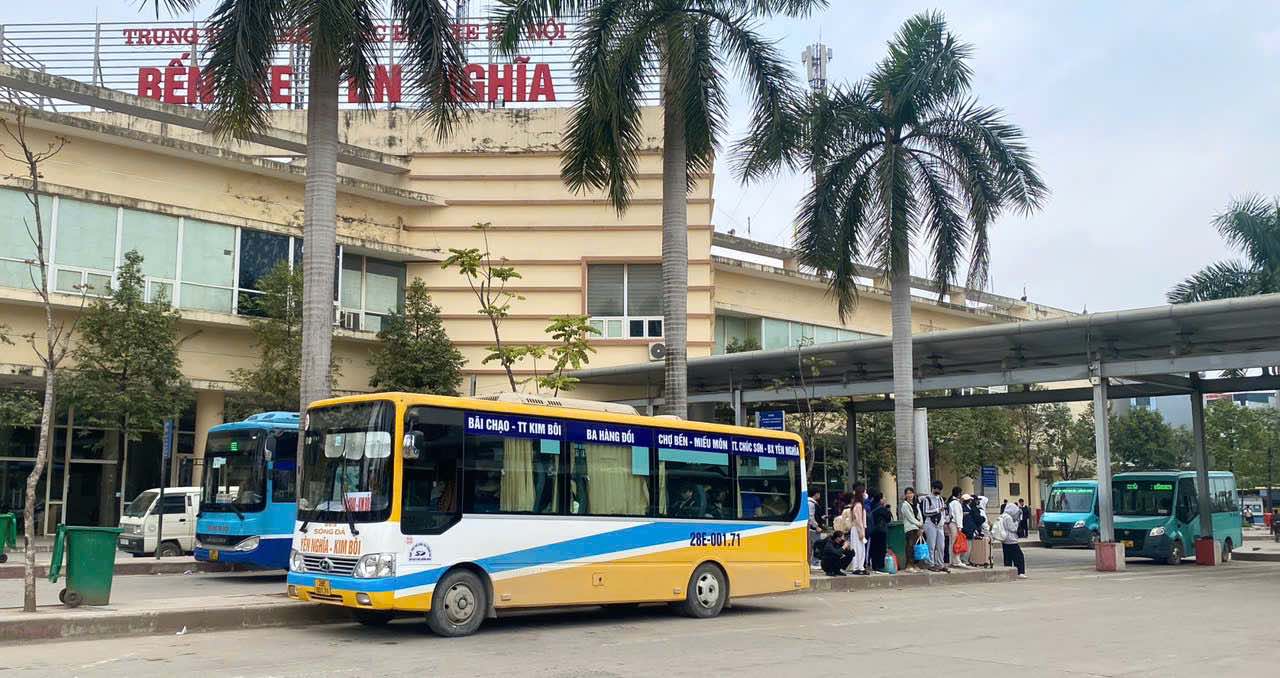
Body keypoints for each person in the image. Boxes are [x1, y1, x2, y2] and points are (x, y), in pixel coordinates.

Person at [840, 485, 869, 575]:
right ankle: (857, 567)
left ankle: (859, 566)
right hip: (857, 529)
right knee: (858, 548)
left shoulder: (857, 505)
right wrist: (861, 532)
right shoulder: (858, 505)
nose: (865, 494)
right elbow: (858, 520)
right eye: (864, 492)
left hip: (857, 529)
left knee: (859, 548)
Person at [919, 480, 948, 571]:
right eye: (936, 489)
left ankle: (940, 563)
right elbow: (925, 512)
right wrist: (937, 510)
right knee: (931, 544)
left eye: (939, 489)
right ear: (933, 488)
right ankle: (930, 563)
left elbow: (943, 512)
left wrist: (943, 521)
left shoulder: (940, 499)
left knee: (941, 545)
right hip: (930, 523)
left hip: (939, 524)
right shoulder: (927, 499)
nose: (938, 491)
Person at [1000, 501, 1027, 577]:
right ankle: (1020, 572)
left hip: (1005, 540)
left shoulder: (1002, 516)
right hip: (1011, 540)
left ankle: (1008, 572)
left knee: (1007, 557)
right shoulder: (1008, 517)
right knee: (1019, 556)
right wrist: (1017, 522)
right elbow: (1013, 528)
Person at [900, 487, 924, 570]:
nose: (910, 495)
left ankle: (915, 564)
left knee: (916, 546)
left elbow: (920, 515)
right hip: (910, 528)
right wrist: (919, 524)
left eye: (911, 493)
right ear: (905, 495)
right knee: (910, 546)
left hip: (917, 528)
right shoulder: (905, 505)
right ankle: (909, 565)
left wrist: (921, 524)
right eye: (908, 493)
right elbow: (910, 518)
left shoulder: (916, 505)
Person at [869, 492, 892, 571]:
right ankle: (880, 566)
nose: (885, 499)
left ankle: (874, 565)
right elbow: (888, 519)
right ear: (880, 499)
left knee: (874, 548)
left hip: (873, 530)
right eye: (884, 497)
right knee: (881, 549)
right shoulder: (882, 508)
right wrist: (888, 509)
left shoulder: (871, 506)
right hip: (881, 531)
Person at [946, 487, 966, 568]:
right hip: (955, 523)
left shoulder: (951, 502)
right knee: (957, 542)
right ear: (958, 494)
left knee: (952, 542)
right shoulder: (956, 503)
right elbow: (958, 515)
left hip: (951, 523)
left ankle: (952, 560)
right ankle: (957, 560)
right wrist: (959, 526)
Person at [807, 491, 822, 566]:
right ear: (816, 494)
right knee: (817, 545)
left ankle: (812, 562)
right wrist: (816, 526)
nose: (819, 495)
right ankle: (814, 562)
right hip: (813, 529)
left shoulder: (810, 502)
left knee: (811, 546)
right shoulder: (811, 503)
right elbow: (811, 517)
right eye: (819, 493)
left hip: (811, 528)